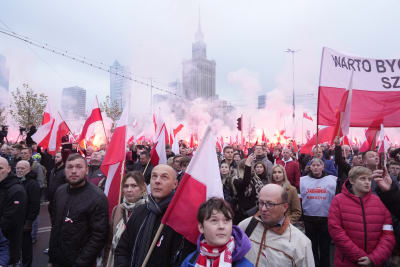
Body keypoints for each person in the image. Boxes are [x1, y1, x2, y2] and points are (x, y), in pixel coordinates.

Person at [114, 164, 194, 267]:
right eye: (154, 176)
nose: (157, 181)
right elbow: (122, 248)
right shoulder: (140, 211)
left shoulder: (181, 218)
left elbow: (182, 258)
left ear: (175, 184)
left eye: (164, 177)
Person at [48, 153, 109, 267]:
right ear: (65, 170)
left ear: (86, 170)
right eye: (70, 167)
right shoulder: (60, 192)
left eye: (79, 167)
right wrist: (51, 258)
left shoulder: (97, 197)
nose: (74, 171)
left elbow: (98, 236)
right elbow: (55, 227)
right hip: (58, 260)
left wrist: (80, 263)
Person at [328, 166, 395, 267]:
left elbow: (388, 233)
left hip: (375, 262)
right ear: (351, 180)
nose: (367, 182)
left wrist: (374, 258)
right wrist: (359, 256)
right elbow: (336, 231)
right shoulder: (338, 200)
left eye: (369, 179)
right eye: (362, 178)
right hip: (347, 262)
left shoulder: (379, 201)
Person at [239, 184, 314, 266]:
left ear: (285, 207)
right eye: (261, 203)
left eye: (270, 204)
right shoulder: (245, 226)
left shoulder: (300, 243)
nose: (263, 209)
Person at [181, 198, 253, 267]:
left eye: (226, 220)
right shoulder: (190, 261)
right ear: (201, 227)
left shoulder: (245, 265)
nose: (221, 226)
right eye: (214, 220)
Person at [102, 171, 147, 267]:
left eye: (134, 186)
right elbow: (109, 241)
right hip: (114, 261)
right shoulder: (118, 209)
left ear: (142, 188)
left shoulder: (148, 210)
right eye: (126, 186)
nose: (129, 190)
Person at [300, 157, 337, 267]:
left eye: (318, 165)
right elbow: (300, 199)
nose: (316, 167)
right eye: (313, 165)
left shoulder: (332, 180)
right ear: (310, 167)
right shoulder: (303, 180)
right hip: (309, 219)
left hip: (326, 219)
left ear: (323, 166)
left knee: (325, 248)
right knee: (312, 248)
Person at [0, 156, 27, 266]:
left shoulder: (16, 190)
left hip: (8, 247)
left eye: (0, 168)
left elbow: (9, 222)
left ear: (9, 169)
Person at [16, 160, 41, 267]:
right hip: (15, 219)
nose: (20, 170)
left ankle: (26, 264)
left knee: (26, 245)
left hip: (25, 220)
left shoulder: (32, 184)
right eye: (18, 168)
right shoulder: (16, 181)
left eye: (22, 168)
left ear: (29, 169)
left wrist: (29, 221)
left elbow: (34, 204)